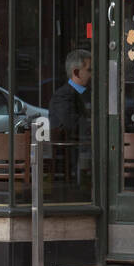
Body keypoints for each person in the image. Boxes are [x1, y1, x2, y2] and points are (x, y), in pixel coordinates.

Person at [49, 49, 92, 186]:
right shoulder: (64, 96)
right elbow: (73, 126)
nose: (93, 74)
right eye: (89, 70)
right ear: (76, 72)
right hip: (74, 162)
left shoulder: (86, 93)